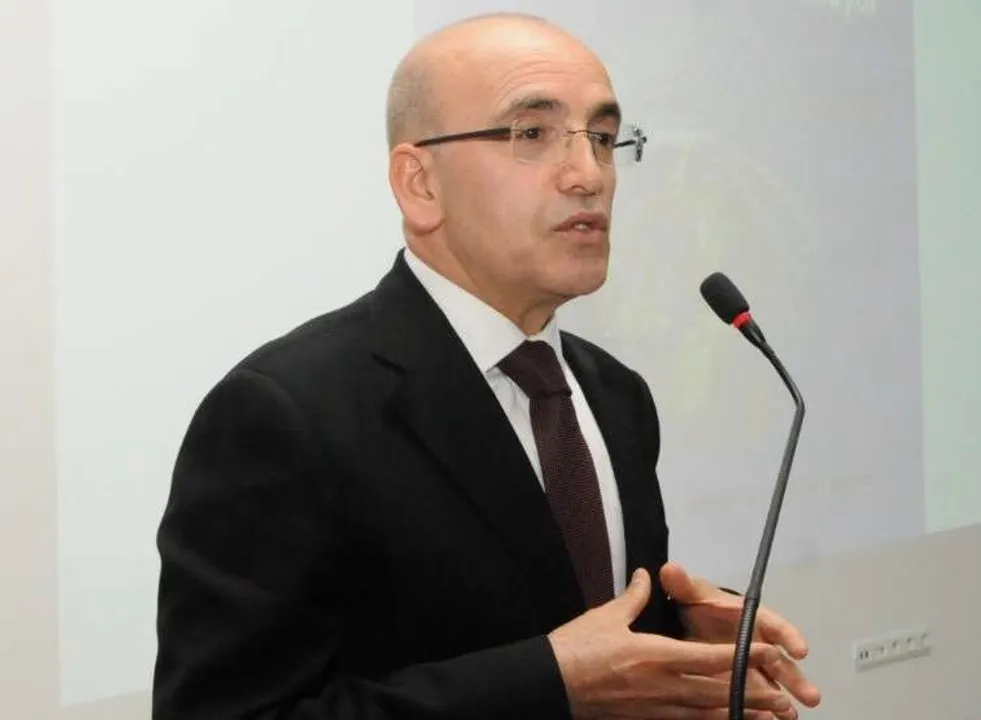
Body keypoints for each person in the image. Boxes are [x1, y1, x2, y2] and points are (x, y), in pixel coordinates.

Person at [152, 12, 821, 720]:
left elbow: (558, 619)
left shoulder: (614, 395)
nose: (588, 176)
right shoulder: (284, 415)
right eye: (531, 134)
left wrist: (676, 639)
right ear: (419, 184)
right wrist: (551, 684)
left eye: (602, 137)